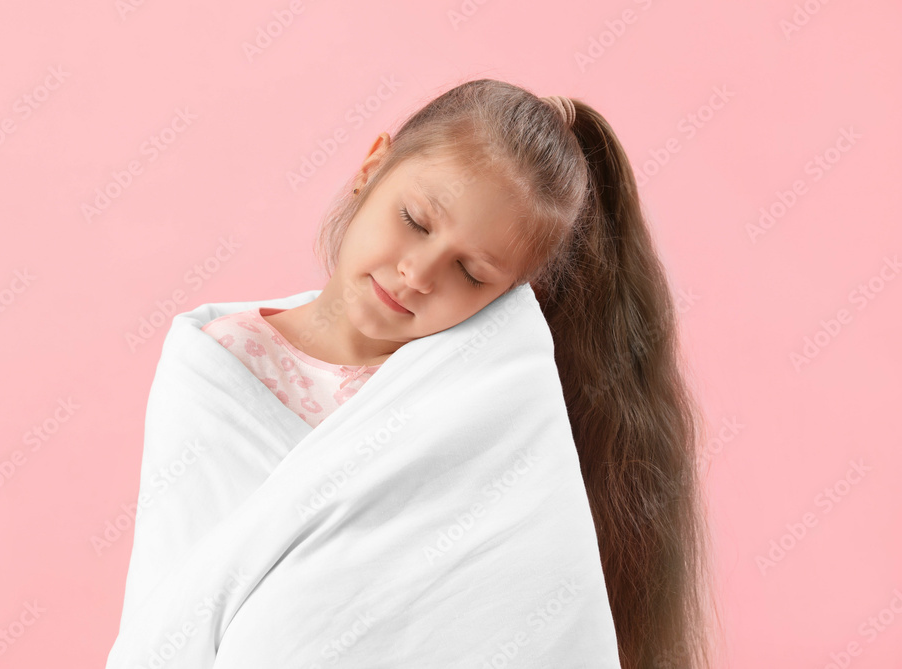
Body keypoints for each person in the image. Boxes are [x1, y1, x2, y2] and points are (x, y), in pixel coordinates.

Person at [201, 78, 721, 668]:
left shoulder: (486, 397)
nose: (418, 273)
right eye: (415, 221)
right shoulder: (221, 363)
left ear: (509, 296)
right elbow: (179, 597)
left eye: (472, 274)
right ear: (372, 167)